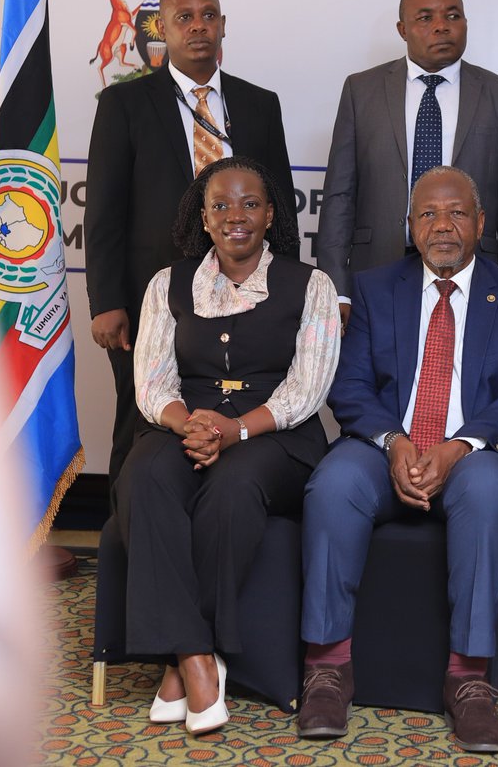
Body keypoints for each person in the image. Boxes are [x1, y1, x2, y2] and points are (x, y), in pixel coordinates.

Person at [298, 167, 498, 751]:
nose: (443, 226)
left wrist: (458, 446)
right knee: (332, 485)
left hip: (474, 455)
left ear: (480, 223)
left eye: (457, 213)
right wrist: (396, 442)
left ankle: (469, 680)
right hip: (389, 448)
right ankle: (327, 667)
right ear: (409, 226)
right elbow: (350, 386)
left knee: (486, 492)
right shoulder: (375, 287)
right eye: (428, 215)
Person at [112, 157, 339, 735]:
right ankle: (193, 655)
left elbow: (307, 389)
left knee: (233, 485)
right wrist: (189, 424)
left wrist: (234, 431)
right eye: (221, 206)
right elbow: (152, 380)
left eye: (249, 204)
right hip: (184, 422)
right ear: (203, 219)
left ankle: (180, 662)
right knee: (144, 476)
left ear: (270, 214)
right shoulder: (169, 282)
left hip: (276, 435)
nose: (236, 216)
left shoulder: (311, 284)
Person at [86, 0, 299, 486]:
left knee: (237, 414)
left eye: (209, 15)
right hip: (153, 299)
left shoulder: (259, 104)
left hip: (249, 298)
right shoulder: (125, 104)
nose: (198, 26)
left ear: (223, 26)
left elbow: (282, 208)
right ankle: (131, 543)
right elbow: (104, 211)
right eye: (184, 17)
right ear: (163, 29)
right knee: (141, 425)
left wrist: (290, 293)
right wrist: (106, 300)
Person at [316, 0, 498, 327]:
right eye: (425, 18)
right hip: (378, 265)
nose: (441, 26)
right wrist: (337, 288)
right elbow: (339, 194)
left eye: (453, 16)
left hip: (472, 270)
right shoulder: (361, 91)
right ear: (402, 29)